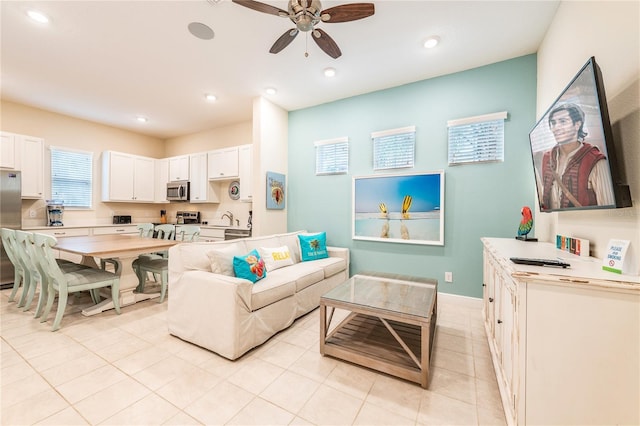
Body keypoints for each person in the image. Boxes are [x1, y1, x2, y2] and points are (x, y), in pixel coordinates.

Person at [537, 103, 615, 210]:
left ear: (577, 124)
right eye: (553, 123)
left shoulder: (595, 160)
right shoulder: (547, 158)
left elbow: (608, 207)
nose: (556, 128)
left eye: (563, 121)